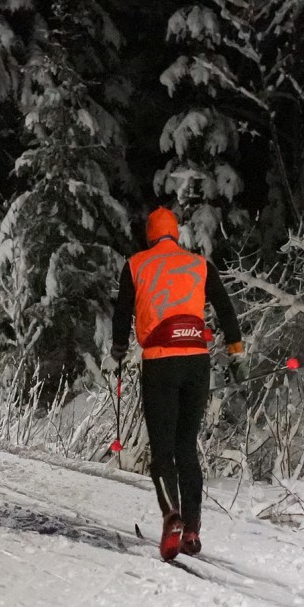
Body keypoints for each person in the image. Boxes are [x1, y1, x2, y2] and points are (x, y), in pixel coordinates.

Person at [111, 208, 244, 561]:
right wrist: (236, 353)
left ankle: (172, 517)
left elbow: (122, 313)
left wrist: (118, 351)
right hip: (197, 363)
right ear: (176, 235)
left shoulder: (137, 265)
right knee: (186, 449)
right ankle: (193, 530)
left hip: (160, 362)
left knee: (162, 451)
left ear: (150, 237)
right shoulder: (199, 265)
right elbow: (225, 309)